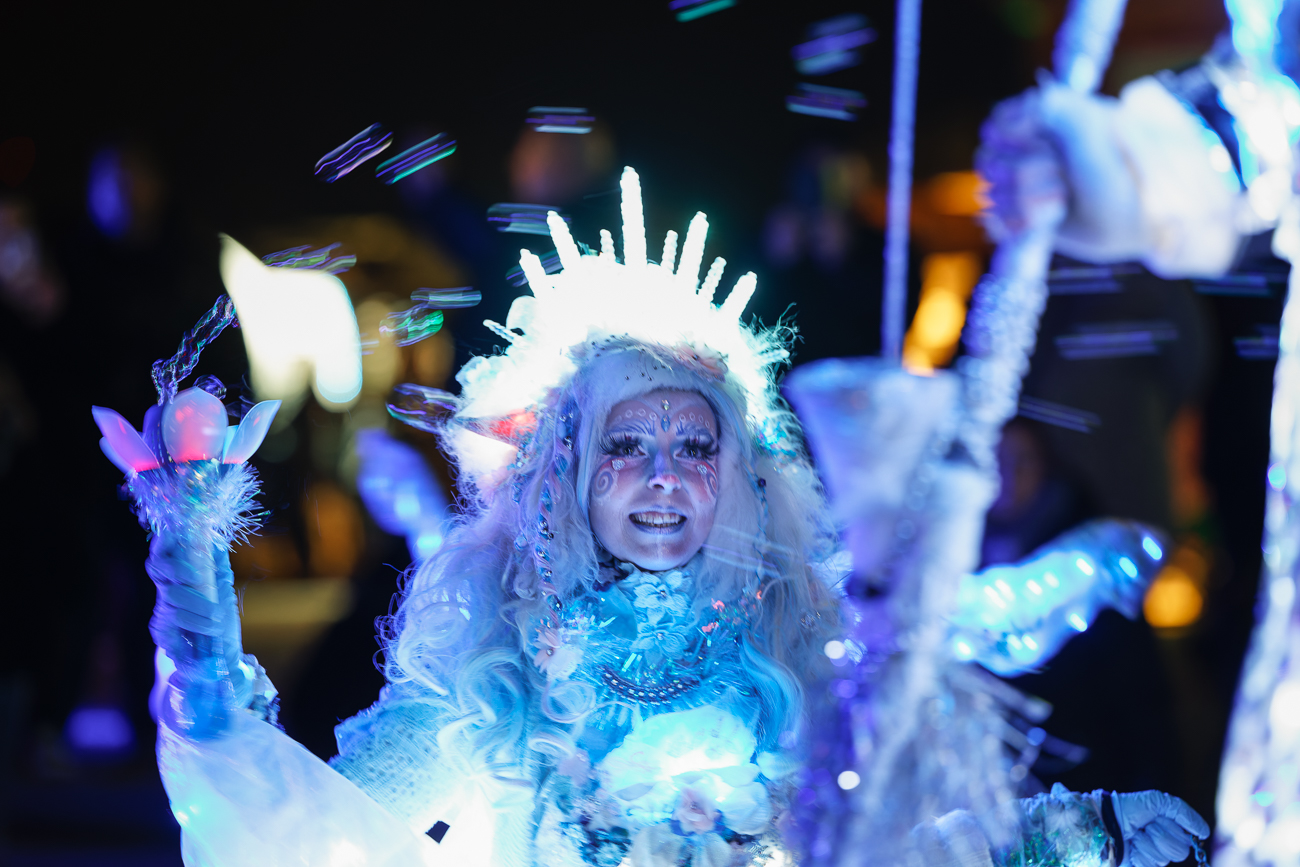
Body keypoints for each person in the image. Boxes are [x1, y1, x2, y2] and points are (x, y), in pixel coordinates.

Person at [96, 168, 1207, 866]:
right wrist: (193, 590)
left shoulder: (803, 638)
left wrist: (1072, 834)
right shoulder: (490, 655)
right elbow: (317, 830)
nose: (661, 477)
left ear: (740, 470)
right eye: (624, 446)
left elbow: (886, 846)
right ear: (566, 478)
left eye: (692, 445)